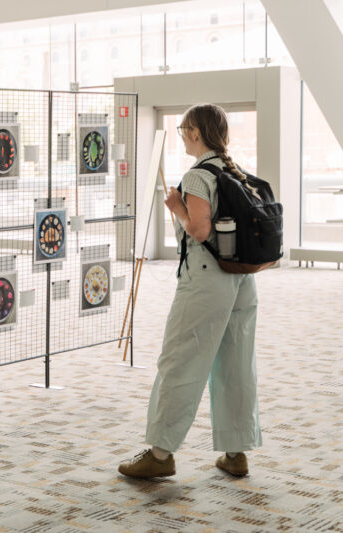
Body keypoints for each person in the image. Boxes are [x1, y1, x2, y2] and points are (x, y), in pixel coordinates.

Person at [118, 103, 261, 479]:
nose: (182, 135)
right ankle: (236, 452)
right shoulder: (235, 171)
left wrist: (177, 207)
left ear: (196, 133)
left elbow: (198, 230)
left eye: (184, 130)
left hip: (206, 279)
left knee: (181, 359)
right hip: (242, 280)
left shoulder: (198, 176)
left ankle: (160, 455)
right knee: (235, 364)